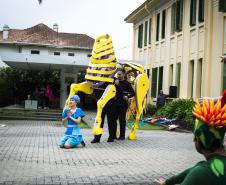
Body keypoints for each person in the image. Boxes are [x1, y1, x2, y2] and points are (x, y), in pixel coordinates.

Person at [156, 91, 226, 185]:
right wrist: (167, 182)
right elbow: (192, 170)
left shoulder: (204, 172)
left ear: (198, 139)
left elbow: (197, 172)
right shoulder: (206, 167)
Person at [114, 69, 135, 140]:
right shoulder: (115, 82)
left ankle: (122, 136)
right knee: (113, 119)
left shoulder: (127, 83)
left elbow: (133, 93)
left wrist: (128, 96)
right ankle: (113, 135)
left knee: (122, 120)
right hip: (115, 103)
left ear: (123, 74)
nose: (118, 76)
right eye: (117, 74)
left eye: (120, 74)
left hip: (123, 104)